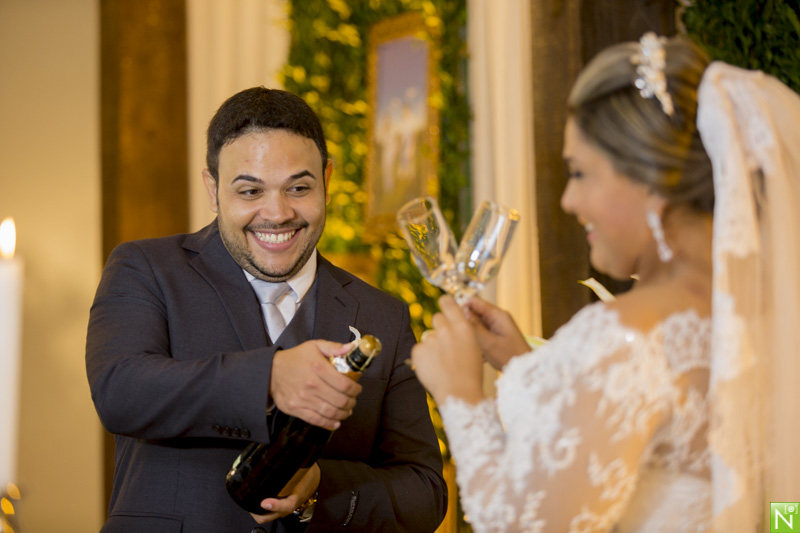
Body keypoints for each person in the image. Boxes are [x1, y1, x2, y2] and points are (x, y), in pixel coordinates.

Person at [411, 33, 800, 532]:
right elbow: (777, 509)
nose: (569, 201)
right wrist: (520, 363)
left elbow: (521, 522)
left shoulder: (628, 333)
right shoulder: (764, 316)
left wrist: (460, 395)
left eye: (580, 173)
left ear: (650, 180)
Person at [86, 87, 447, 533]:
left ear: (327, 179)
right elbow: (120, 390)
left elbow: (424, 493)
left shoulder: (384, 316)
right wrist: (271, 377)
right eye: (250, 190)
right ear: (213, 189)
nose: (276, 214)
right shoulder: (146, 268)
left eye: (298, 187)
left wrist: (318, 488)